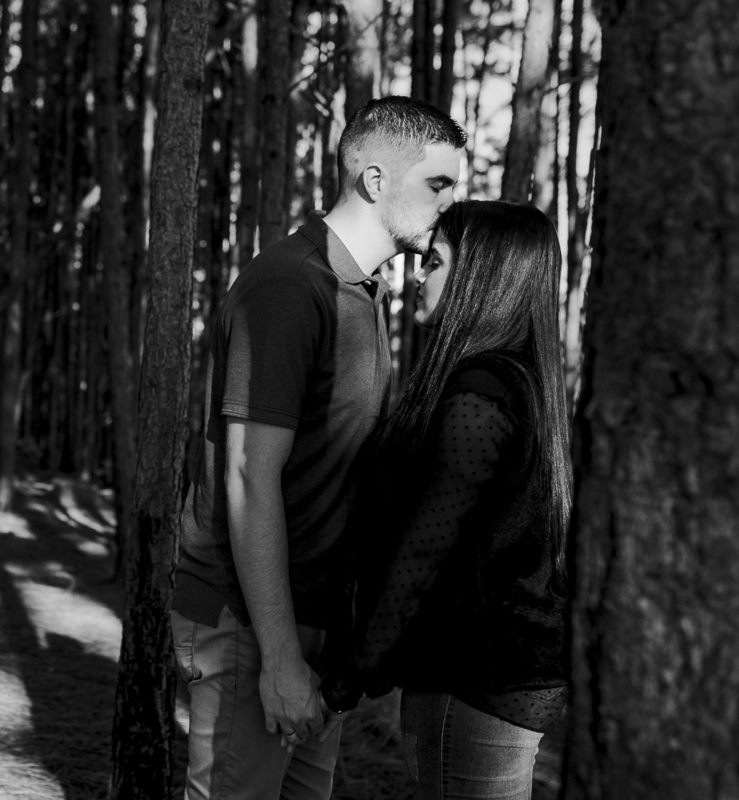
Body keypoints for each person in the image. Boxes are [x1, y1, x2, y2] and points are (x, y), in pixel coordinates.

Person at [172, 96, 466, 800]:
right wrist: (277, 658)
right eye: (438, 184)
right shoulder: (287, 287)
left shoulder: (359, 290)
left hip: (309, 623)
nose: (451, 204)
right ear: (372, 180)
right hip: (250, 619)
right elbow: (249, 475)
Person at [318, 200, 573, 800]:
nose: (417, 275)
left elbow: (423, 553)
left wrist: (352, 677)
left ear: (480, 277)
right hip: (509, 674)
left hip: (474, 676)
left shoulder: (479, 394)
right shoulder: (523, 383)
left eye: (433, 262)